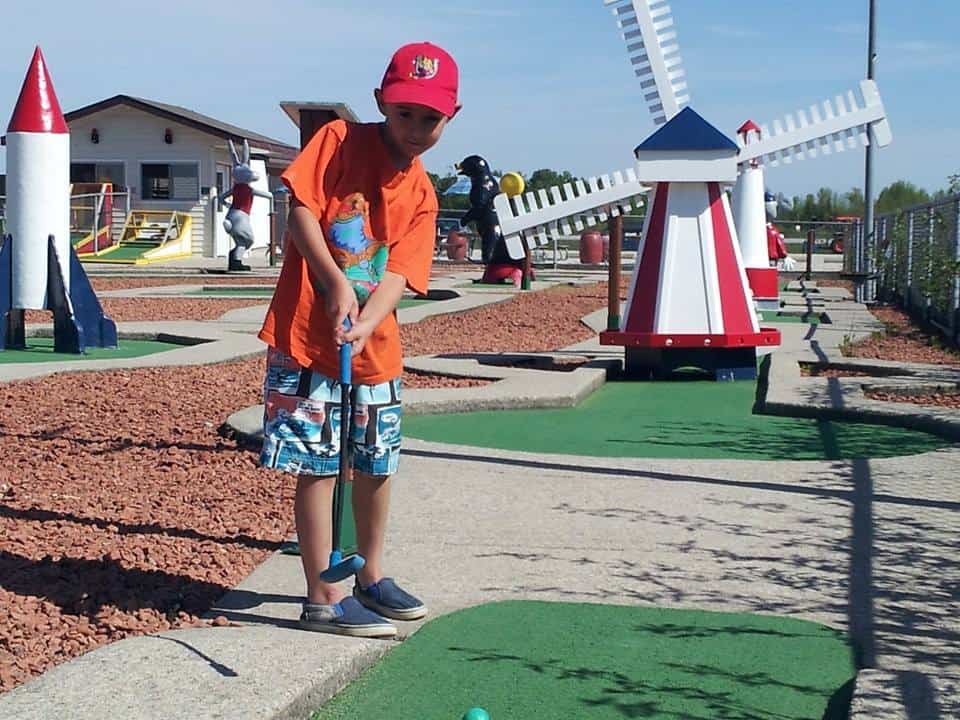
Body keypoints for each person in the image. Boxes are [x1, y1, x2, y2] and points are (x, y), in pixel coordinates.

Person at [257, 42, 460, 637]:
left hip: (374, 348)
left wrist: (369, 318)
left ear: (451, 117)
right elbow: (301, 212)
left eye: (430, 119)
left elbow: (399, 273)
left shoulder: (422, 193)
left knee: (376, 463)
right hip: (306, 337)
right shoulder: (338, 141)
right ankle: (322, 593)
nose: (416, 128)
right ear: (380, 102)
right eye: (404, 114)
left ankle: (369, 577)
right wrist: (334, 282)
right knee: (317, 465)